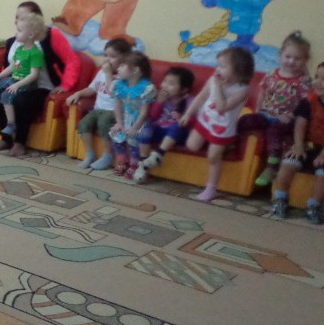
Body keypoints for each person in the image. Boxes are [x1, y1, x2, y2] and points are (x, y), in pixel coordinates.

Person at [0, 1, 83, 157]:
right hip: (18, 83)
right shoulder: (14, 41)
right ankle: (6, 139)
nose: (17, 20)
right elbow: (10, 66)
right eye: (17, 17)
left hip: (42, 87)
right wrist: (1, 82)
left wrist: (66, 85)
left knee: (21, 99)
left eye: (23, 17)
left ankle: (20, 143)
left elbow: (72, 60)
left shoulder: (51, 36)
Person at [179, 45, 255, 202]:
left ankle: (211, 189)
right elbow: (201, 96)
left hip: (222, 129)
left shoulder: (242, 90)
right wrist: (188, 113)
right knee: (192, 145)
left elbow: (222, 107)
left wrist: (219, 88)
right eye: (218, 65)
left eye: (223, 66)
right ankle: (225, 146)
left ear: (239, 70)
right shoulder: (213, 79)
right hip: (205, 120)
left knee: (213, 157)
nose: (218, 69)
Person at [241, 31, 313, 187]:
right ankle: (231, 144)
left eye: (297, 58)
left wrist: (291, 116)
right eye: (288, 56)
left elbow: (306, 103)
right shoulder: (271, 74)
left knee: (274, 132)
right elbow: (263, 92)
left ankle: (271, 167)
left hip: (286, 120)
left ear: (305, 61)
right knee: (245, 120)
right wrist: (258, 109)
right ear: (280, 55)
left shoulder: (303, 81)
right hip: (266, 114)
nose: (291, 61)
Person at [270, 61, 324, 225]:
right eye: (317, 77)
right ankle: (280, 198)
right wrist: (299, 145)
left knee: (323, 174)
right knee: (288, 163)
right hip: (307, 145)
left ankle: (313, 205)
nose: (318, 82)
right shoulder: (308, 102)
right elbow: (300, 125)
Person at [0, 11, 46, 138]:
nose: (16, 33)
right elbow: (12, 67)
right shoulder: (19, 49)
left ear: (30, 34)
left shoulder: (35, 53)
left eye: (19, 31)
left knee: (5, 95)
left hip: (26, 85)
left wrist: (17, 85)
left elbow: (34, 75)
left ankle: (11, 124)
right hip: (14, 79)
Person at [66, 38, 132, 170]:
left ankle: (108, 154)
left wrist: (108, 74)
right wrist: (78, 93)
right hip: (98, 109)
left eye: (112, 56)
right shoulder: (101, 72)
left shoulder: (124, 77)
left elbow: (112, 92)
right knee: (83, 124)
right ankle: (90, 154)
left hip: (114, 112)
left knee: (104, 123)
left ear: (124, 58)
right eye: (105, 55)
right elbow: (92, 89)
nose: (107, 59)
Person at [133, 66, 196, 183]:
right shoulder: (159, 96)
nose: (165, 85)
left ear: (184, 89)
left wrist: (183, 118)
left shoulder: (190, 100)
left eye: (171, 83)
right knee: (146, 127)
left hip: (175, 136)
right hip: (160, 130)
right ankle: (143, 164)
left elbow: (195, 120)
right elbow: (152, 116)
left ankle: (158, 155)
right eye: (165, 81)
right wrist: (159, 102)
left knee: (177, 126)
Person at [109, 51, 157, 178]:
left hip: (141, 121)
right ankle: (122, 162)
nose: (118, 69)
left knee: (133, 139)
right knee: (117, 135)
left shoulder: (146, 88)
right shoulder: (118, 85)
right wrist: (119, 123)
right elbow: (117, 106)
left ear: (135, 70)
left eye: (122, 66)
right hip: (126, 118)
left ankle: (134, 165)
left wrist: (135, 127)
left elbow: (144, 111)